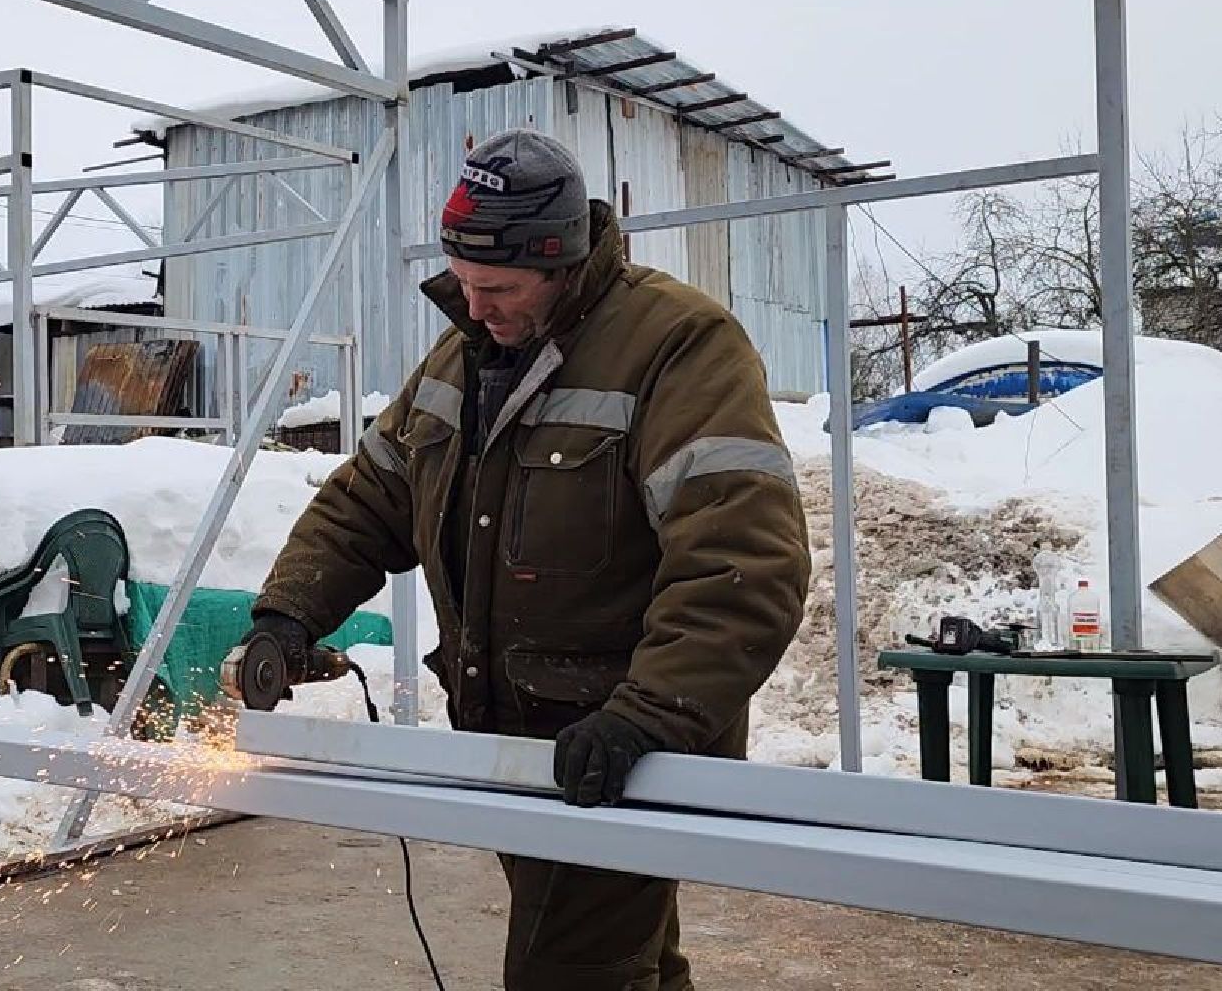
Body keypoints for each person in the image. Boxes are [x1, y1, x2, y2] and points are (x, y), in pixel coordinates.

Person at [246, 128, 811, 991]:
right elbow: (371, 498)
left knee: (568, 973)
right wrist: (289, 614)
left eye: (499, 289)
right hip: (512, 745)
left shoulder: (678, 346)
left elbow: (744, 560)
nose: (475, 308)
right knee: (621, 962)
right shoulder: (466, 356)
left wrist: (646, 719)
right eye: (464, 283)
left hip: (620, 749)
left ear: (563, 263)